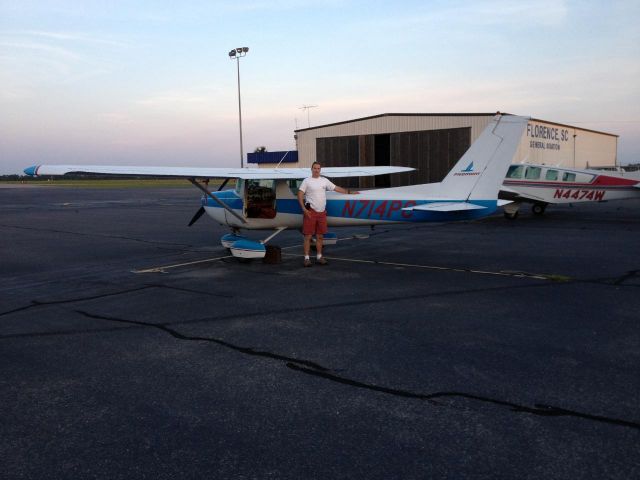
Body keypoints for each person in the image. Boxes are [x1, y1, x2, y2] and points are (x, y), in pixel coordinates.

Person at [297, 162, 356, 267]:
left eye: (318, 168)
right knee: (308, 236)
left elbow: (336, 188)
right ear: (311, 169)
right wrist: (303, 209)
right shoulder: (307, 181)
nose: (316, 170)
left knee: (320, 236)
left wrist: (349, 192)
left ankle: (319, 257)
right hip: (310, 212)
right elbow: (300, 194)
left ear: (320, 170)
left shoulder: (324, 180)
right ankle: (306, 258)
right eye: (315, 168)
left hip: (322, 212)